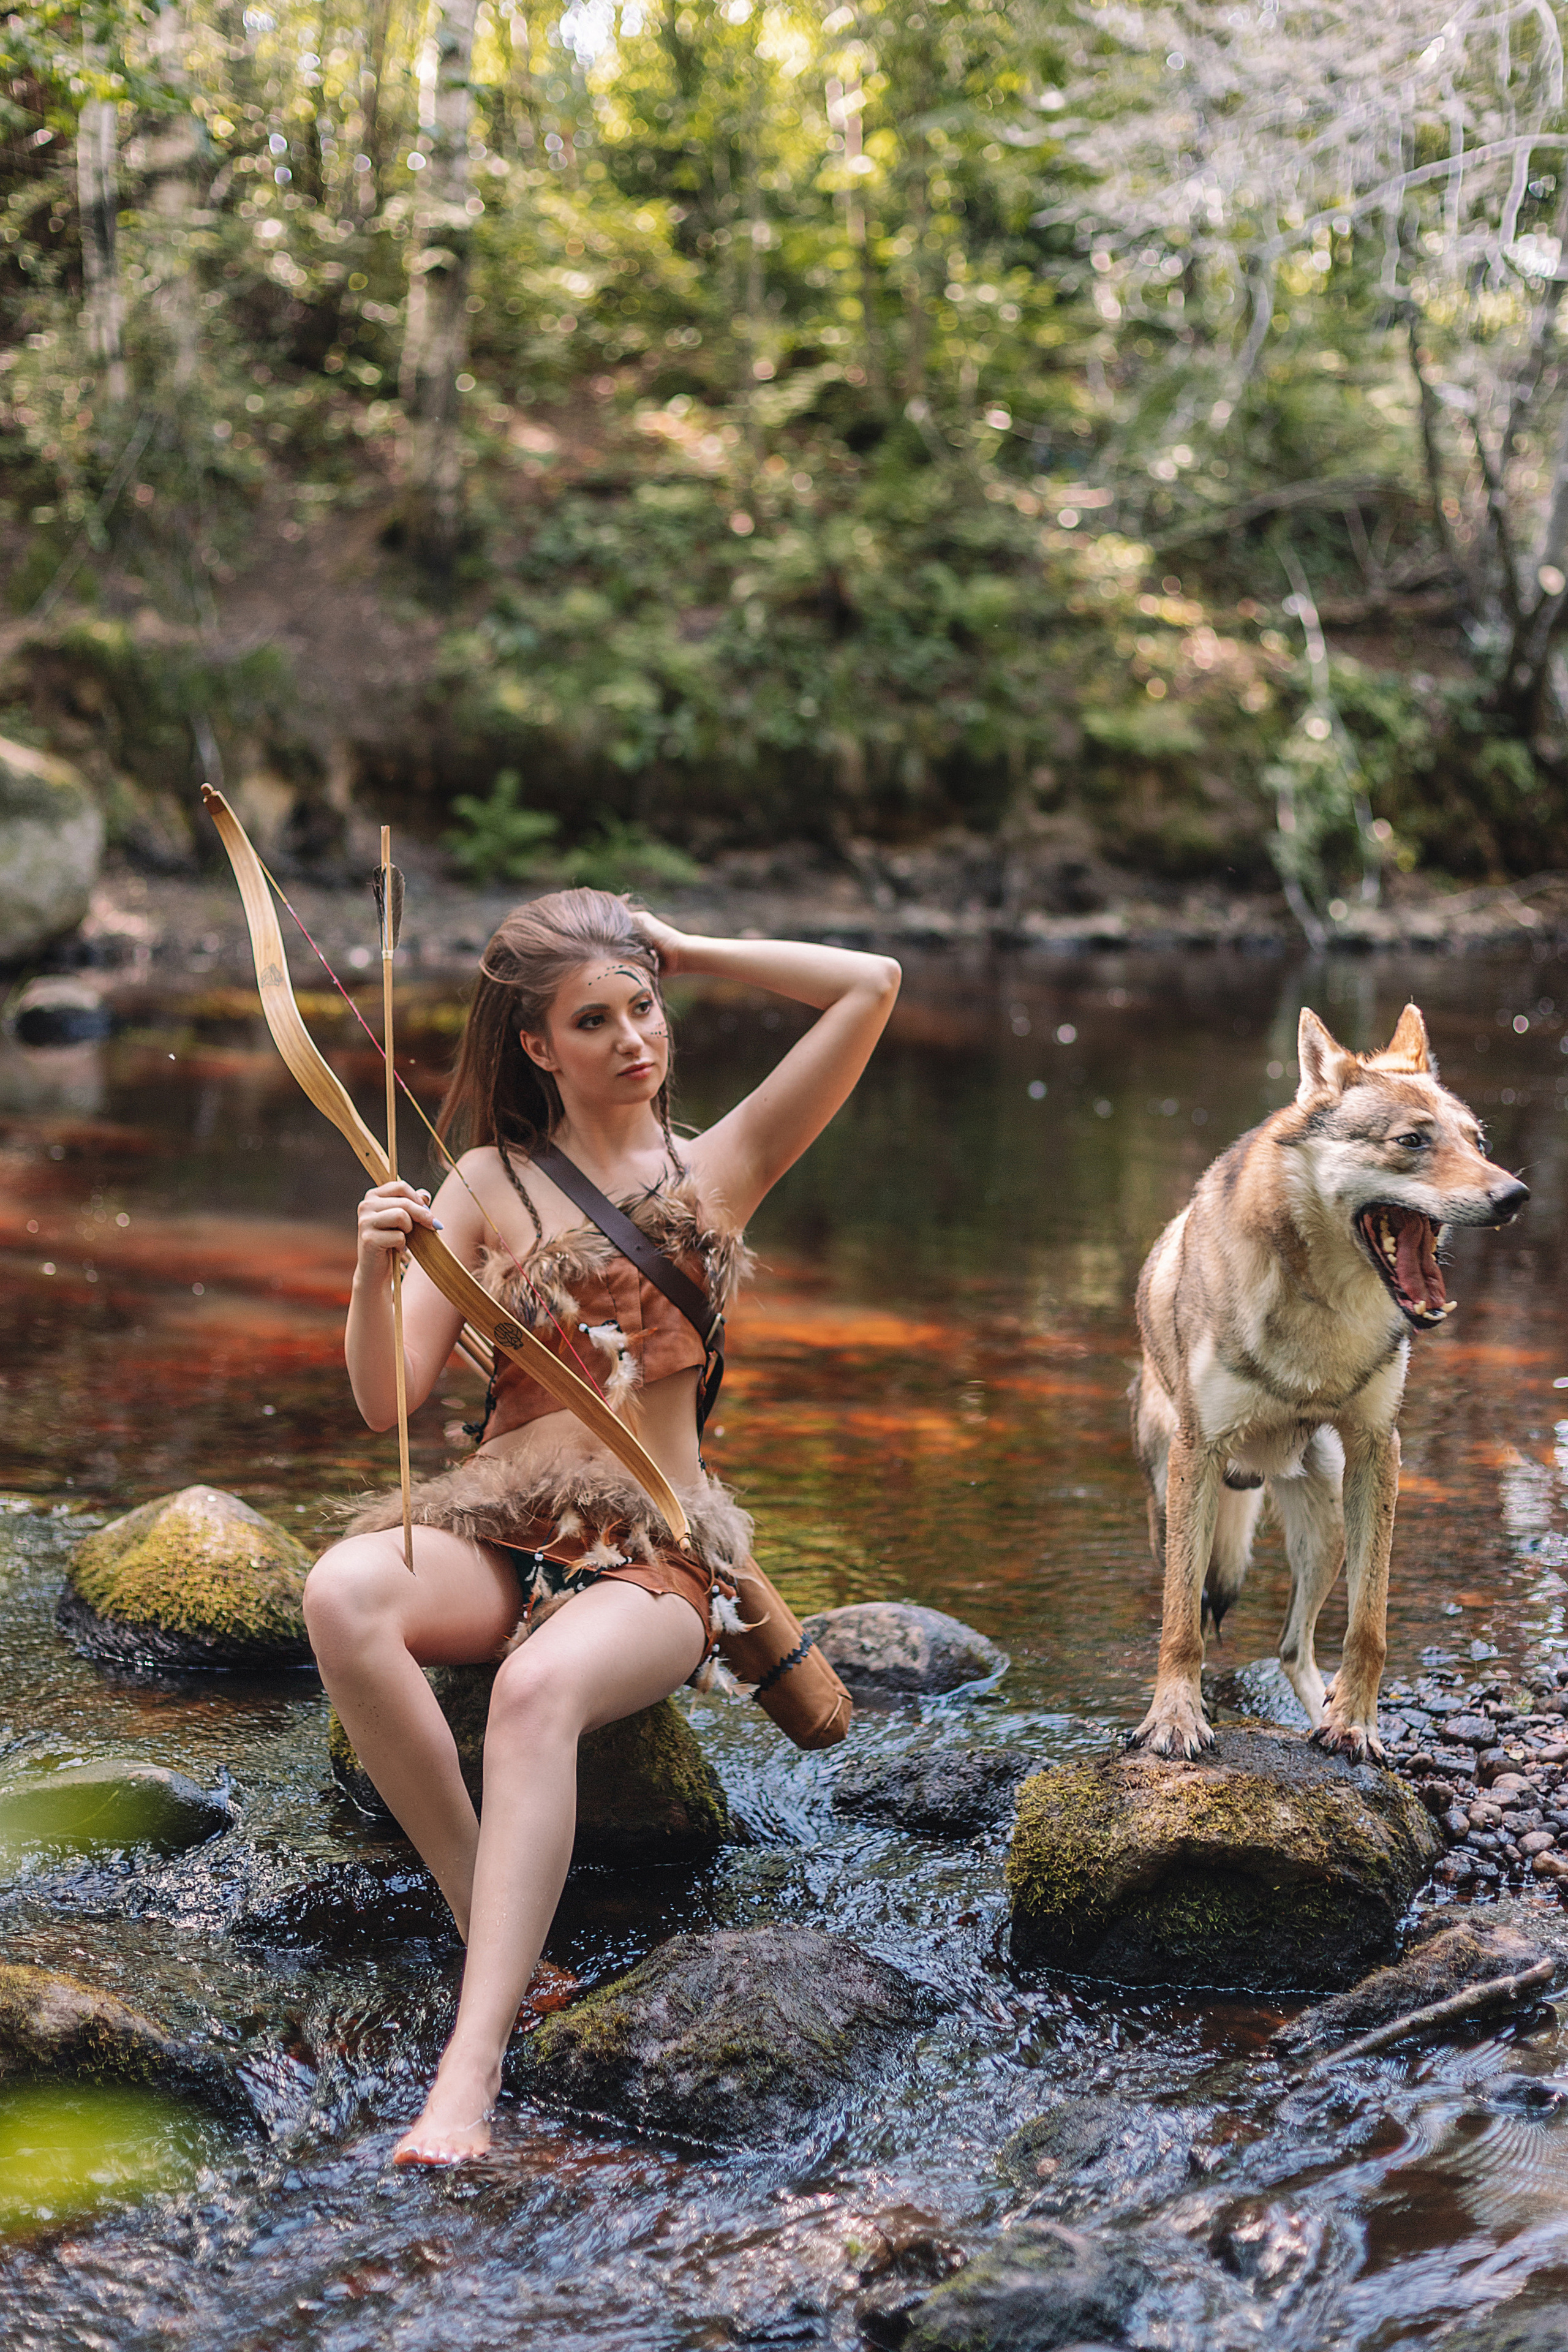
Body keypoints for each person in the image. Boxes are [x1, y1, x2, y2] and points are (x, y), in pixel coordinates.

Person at [302, 890, 900, 2165]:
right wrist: (373, 1268)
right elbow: (383, 1403)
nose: (634, 1036)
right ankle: (495, 1929)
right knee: (340, 1593)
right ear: (536, 1046)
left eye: (643, 1006)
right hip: (497, 1527)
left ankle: (467, 2078)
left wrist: (689, 944)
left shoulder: (718, 1168)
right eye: (595, 1018)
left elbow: (872, 984)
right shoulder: (483, 1182)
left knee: (531, 1694)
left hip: (652, 1564)